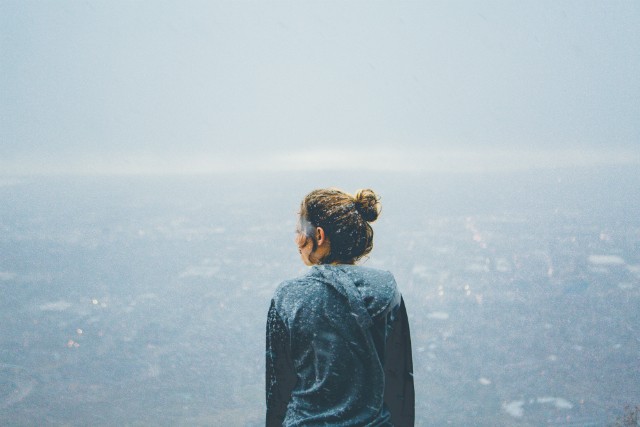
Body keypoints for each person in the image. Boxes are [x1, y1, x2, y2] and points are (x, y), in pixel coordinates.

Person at [266, 188, 414, 426]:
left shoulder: (289, 297)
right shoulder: (386, 290)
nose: (296, 240)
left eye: (298, 231)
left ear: (320, 235)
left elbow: (279, 389)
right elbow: (399, 383)